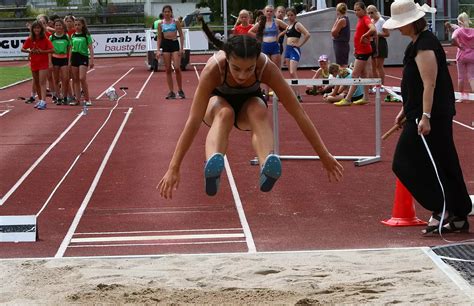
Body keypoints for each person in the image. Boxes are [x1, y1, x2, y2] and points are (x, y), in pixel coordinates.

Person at [157, 35, 343, 199]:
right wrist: (174, 166)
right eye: (236, 68)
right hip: (217, 105)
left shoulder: (267, 68)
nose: (242, 75)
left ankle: (266, 165)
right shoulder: (213, 69)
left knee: (258, 110)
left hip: (249, 106)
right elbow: (194, 120)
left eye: (249, 69)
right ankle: (213, 162)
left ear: (257, 61)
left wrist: (323, 154)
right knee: (225, 113)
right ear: (227, 59)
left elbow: (298, 114)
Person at [383, 0, 471, 234]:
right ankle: (459, 214)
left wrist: (425, 116)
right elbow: (415, 85)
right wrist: (405, 109)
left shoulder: (425, 45)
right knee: (444, 161)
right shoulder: (417, 43)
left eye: (400, 24)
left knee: (403, 162)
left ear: (411, 23)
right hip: (423, 112)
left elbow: (429, 83)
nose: (397, 28)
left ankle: (441, 208)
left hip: (432, 114)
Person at [335, 2, 375, 106]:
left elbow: (373, 29)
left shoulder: (366, 18)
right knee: (364, 74)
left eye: (358, 10)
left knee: (354, 74)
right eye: (355, 10)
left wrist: (364, 36)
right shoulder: (361, 19)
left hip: (363, 51)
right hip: (361, 50)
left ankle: (348, 99)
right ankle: (366, 97)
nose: (356, 12)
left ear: (364, 9)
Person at [21, 20, 54, 110]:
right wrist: (30, 51)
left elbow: (52, 50)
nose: (37, 29)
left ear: (41, 29)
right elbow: (22, 49)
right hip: (34, 63)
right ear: (32, 29)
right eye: (35, 28)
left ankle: (43, 101)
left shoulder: (45, 39)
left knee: (42, 82)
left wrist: (42, 51)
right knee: (36, 82)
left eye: (38, 28)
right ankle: (40, 100)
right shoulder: (30, 39)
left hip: (43, 63)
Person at [156, 5, 186, 99]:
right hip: (165, 45)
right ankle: (171, 92)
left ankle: (180, 90)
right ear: (163, 13)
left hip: (174, 44)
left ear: (171, 12)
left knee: (177, 68)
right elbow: (159, 37)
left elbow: (181, 35)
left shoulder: (176, 22)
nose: (167, 13)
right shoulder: (161, 24)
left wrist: (182, 48)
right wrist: (158, 50)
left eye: (168, 11)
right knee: (168, 69)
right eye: (165, 12)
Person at [283, 7, 311, 102]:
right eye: (288, 15)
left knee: (292, 72)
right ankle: (295, 94)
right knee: (290, 74)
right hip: (288, 50)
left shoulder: (297, 24)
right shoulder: (288, 26)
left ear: (295, 15)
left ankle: (298, 94)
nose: (290, 17)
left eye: (292, 15)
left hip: (294, 49)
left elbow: (307, 34)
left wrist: (299, 44)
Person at [69, 17, 94, 107]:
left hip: (83, 57)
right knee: (75, 79)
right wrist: (69, 61)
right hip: (74, 57)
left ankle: (87, 99)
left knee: (82, 78)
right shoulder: (73, 36)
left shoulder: (86, 35)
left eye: (79, 24)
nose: (77, 26)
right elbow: (71, 49)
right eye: (75, 25)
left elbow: (90, 48)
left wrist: (91, 60)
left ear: (83, 25)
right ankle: (77, 100)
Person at [451, 12, 474, 103]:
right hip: (472, 55)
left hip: (461, 55)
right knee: (471, 76)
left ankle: (461, 96)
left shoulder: (458, 31)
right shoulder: (472, 30)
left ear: (460, 22)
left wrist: (459, 46)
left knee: (461, 77)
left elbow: (453, 38)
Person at [367, 5, 389, 92]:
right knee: (373, 66)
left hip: (381, 43)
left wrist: (377, 34)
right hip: (373, 43)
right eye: (369, 13)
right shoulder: (371, 21)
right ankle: (376, 85)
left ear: (376, 12)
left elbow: (387, 34)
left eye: (372, 12)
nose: (370, 15)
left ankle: (382, 85)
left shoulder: (381, 21)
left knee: (379, 65)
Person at [50, 18, 71, 106]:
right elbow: (49, 50)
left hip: (64, 59)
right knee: (56, 80)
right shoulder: (51, 37)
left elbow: (69, 49)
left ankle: (65, 97)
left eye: (60, 25)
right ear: (54, 27)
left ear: (63, 26)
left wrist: (69, 60)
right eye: (56, 25)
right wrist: (50, 62)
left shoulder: (66, 36)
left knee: (65, 79)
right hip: (55, 59)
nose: (58, 27)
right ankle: (59, 97)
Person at [331, 3, 350, 68]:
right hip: (341, 44)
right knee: (341, 62)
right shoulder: (344, 18)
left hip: (341, 44)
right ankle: (343, 76)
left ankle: (344, 76)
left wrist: (337, 20)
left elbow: (333, 32)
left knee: (341, 63)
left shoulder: (341, 20)